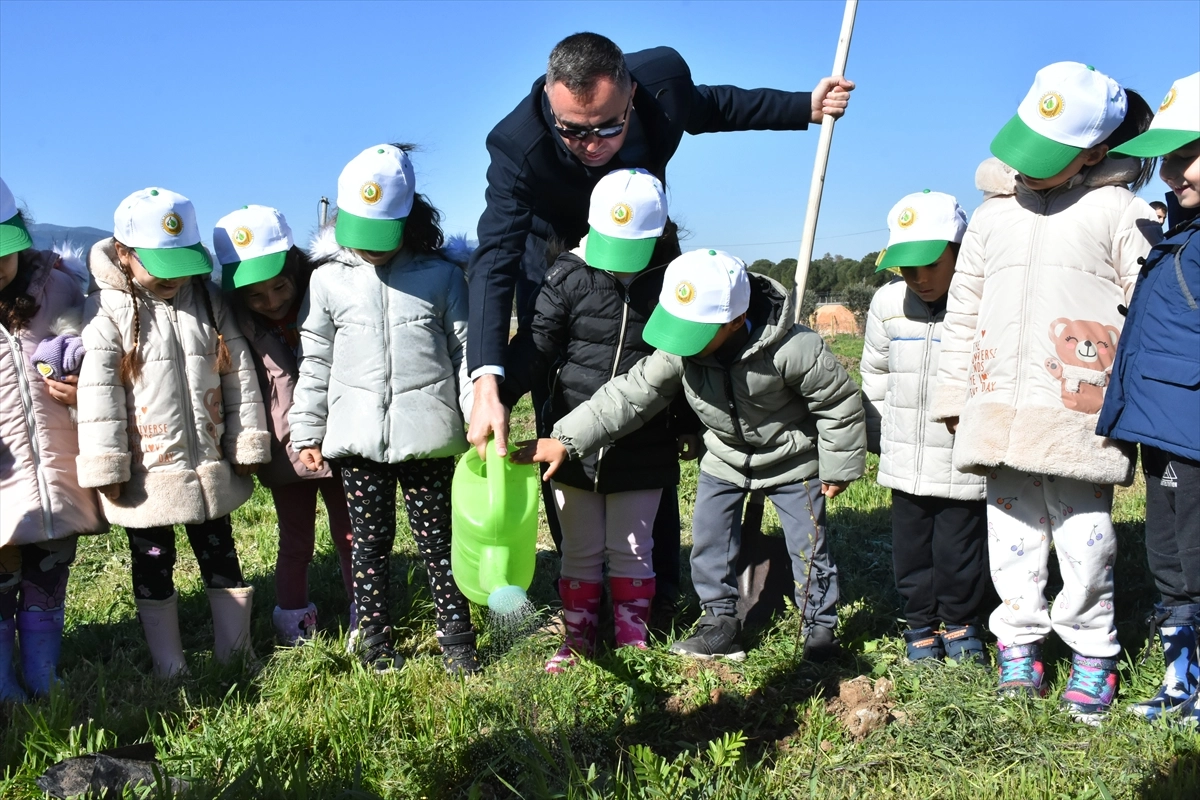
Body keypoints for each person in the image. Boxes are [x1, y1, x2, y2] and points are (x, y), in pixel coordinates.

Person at [466, 32, 855, 610]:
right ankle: (581, 569)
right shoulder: (517, 145)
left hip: (646, 247)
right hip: (553, 252)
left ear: (631, 94)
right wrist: (487, 381)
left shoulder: (665, 85)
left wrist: (804, 104)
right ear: (551, 100)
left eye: (607, 127)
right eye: (573, 130)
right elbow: (494, 260)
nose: (591, 145)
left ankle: (656, 576)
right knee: (559, 380)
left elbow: (717, 106)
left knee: (657, 387)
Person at [930, 62, 1161, 723]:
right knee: (1011, 537)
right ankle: (1020, 646)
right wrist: (955, 396)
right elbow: (965, 305)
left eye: (1050, 157)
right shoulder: (993, 215)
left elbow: (1144, 306)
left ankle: (1092, 649)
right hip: (997, 408)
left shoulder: (1119, 211)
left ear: (1094, 151)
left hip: (1076, 411)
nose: (1030, 168)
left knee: (1085, 537)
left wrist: (1136, 399)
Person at [513, 250, 865, 662]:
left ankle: (819, 630)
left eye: (693, 332)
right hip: (725, 460)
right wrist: (566, 439)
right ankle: (719, 622)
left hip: (793, 462)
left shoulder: (794, 348)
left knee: (809, 547)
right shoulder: (682, 352)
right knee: (709, 543)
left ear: (735, 321)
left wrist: (840, 465)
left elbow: (838, 402)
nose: (682, 343)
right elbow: (630, 394)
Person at [289, 144, 480, 675]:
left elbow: (465, 353)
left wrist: (475, 415)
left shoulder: (442, 277)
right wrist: (306, 429)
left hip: (431, 436)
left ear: (410, 218)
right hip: (357, 442)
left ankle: (457, 639)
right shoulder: (327, 279)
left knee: (440, 542)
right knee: (369, 545)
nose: (371, 250)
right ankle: (375, 643)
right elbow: (315, 359)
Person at [501, 168, 698, 671]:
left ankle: (633, 639)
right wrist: (497, 395)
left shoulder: (675, 281)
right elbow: (537, 343)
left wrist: (689, 426)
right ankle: (579, 637)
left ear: (659, 235)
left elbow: (687, 364)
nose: (621, 269)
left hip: (644, 441)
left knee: (635, 547)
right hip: (570, 438)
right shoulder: (569, 275)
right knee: (581, 550)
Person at [76, 188, 270, 678]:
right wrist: (107, 466)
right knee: (153, 561)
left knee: (221, 551)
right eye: (161, 262)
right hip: (148, 473)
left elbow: (239, 376)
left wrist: (246, 440)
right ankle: (169, 666)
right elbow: (99, 400)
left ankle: (236, 653)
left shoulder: (209, 303)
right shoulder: (108, 317)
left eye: (182, 260)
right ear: (124, 253)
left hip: (208, 463)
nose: (174, 275)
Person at [1096, 71, 1200, 726]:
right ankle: (1182, 681)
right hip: (1167, 428)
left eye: (1190, 154)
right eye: (1168, 158)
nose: (1171, 172)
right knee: (1170, 558)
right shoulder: (1176, 235)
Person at [214, 205, 355, 646]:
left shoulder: (326, 299)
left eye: (279, 286)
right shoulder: (236, 326)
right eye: (256, 295)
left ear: (296, 266)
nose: (271, 301)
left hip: (339, 437)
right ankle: (294, 621)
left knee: (351, 532)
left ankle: (364, 611)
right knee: (295, 540)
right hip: (283, 452)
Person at [860, 190, 989, 662]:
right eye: (907, 268)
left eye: (930, 265)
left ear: (960, 249)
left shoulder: (981, 304)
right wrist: (879, 433)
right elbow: (874, 374)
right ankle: (919, 625)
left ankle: (959, 622)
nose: (918, 279)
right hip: (905, 458)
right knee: (911, 549)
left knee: (959, 548)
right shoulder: (888, 304)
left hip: (961, 459)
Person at [0, 179, 106, 701]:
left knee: (49, 571)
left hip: (58, 462)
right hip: (5, 473)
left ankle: (43, 674)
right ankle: (2, 681)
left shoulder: (60, 289)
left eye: (4, 251)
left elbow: (94, 356)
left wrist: (80, 385)